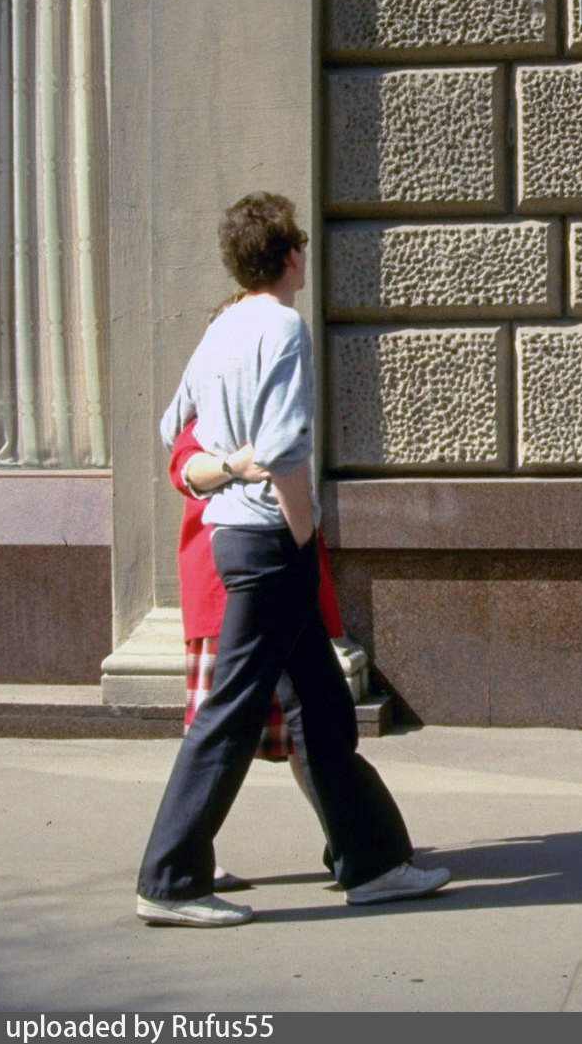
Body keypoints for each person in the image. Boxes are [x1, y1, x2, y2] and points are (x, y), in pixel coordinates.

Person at [135, 192, 450, 927]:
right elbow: (282, 447)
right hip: (273, 538)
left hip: (233, 538)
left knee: (323, 707)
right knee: (233, 713)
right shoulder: (281, 325)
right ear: (289, 256)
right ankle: (171, 875)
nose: (305, 255)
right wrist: (301, 532)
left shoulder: (221, 330)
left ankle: (371, 861)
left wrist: (222, 464)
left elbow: (169, 425)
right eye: (300, 245)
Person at [169, 415, 344, 891]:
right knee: (219, 732)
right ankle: (184, 858)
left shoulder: (270, 403)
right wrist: (233, 464)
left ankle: (349, 838)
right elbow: (186, 468)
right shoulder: (214, 405)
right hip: (228, 595)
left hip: (277, 584)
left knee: (306, 728)